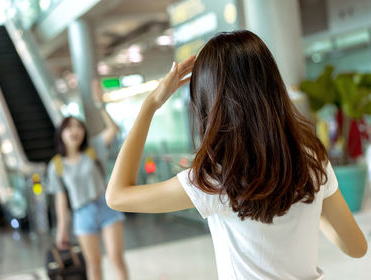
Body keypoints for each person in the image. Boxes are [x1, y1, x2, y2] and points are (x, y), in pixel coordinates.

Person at [105, 31, 368, 279]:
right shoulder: (310, 159)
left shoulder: (215, 179)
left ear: (209, 101)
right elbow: (356, 247)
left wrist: (150, 105)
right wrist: (310, 204)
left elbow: (116, 196)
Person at [47, 86, 128, 280]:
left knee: (116, 259)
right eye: (69, 127)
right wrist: (62, 230)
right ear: (61, 133)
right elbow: (61, 200)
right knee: (93, 265)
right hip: (82, 213)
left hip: (106, 206)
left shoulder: (94, 148)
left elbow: (112, 130)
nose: (75, 130)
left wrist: (101, 104)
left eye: (79, 126)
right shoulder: (56, 165)